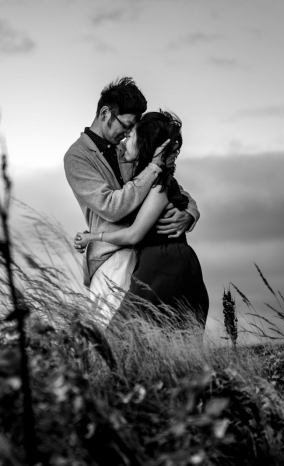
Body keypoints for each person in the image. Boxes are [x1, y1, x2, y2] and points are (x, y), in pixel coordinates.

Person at [63, 77, 199, 325]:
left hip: (147, 258)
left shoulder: (129, 147)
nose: (127, 134)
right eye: (125, 125)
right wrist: (153, 169)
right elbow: (111, 207)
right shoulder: (76, 157)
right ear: (105, 113)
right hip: (112, 257)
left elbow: (167, 185)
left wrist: (190, 212)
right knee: (115, 342)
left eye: (132, 128)